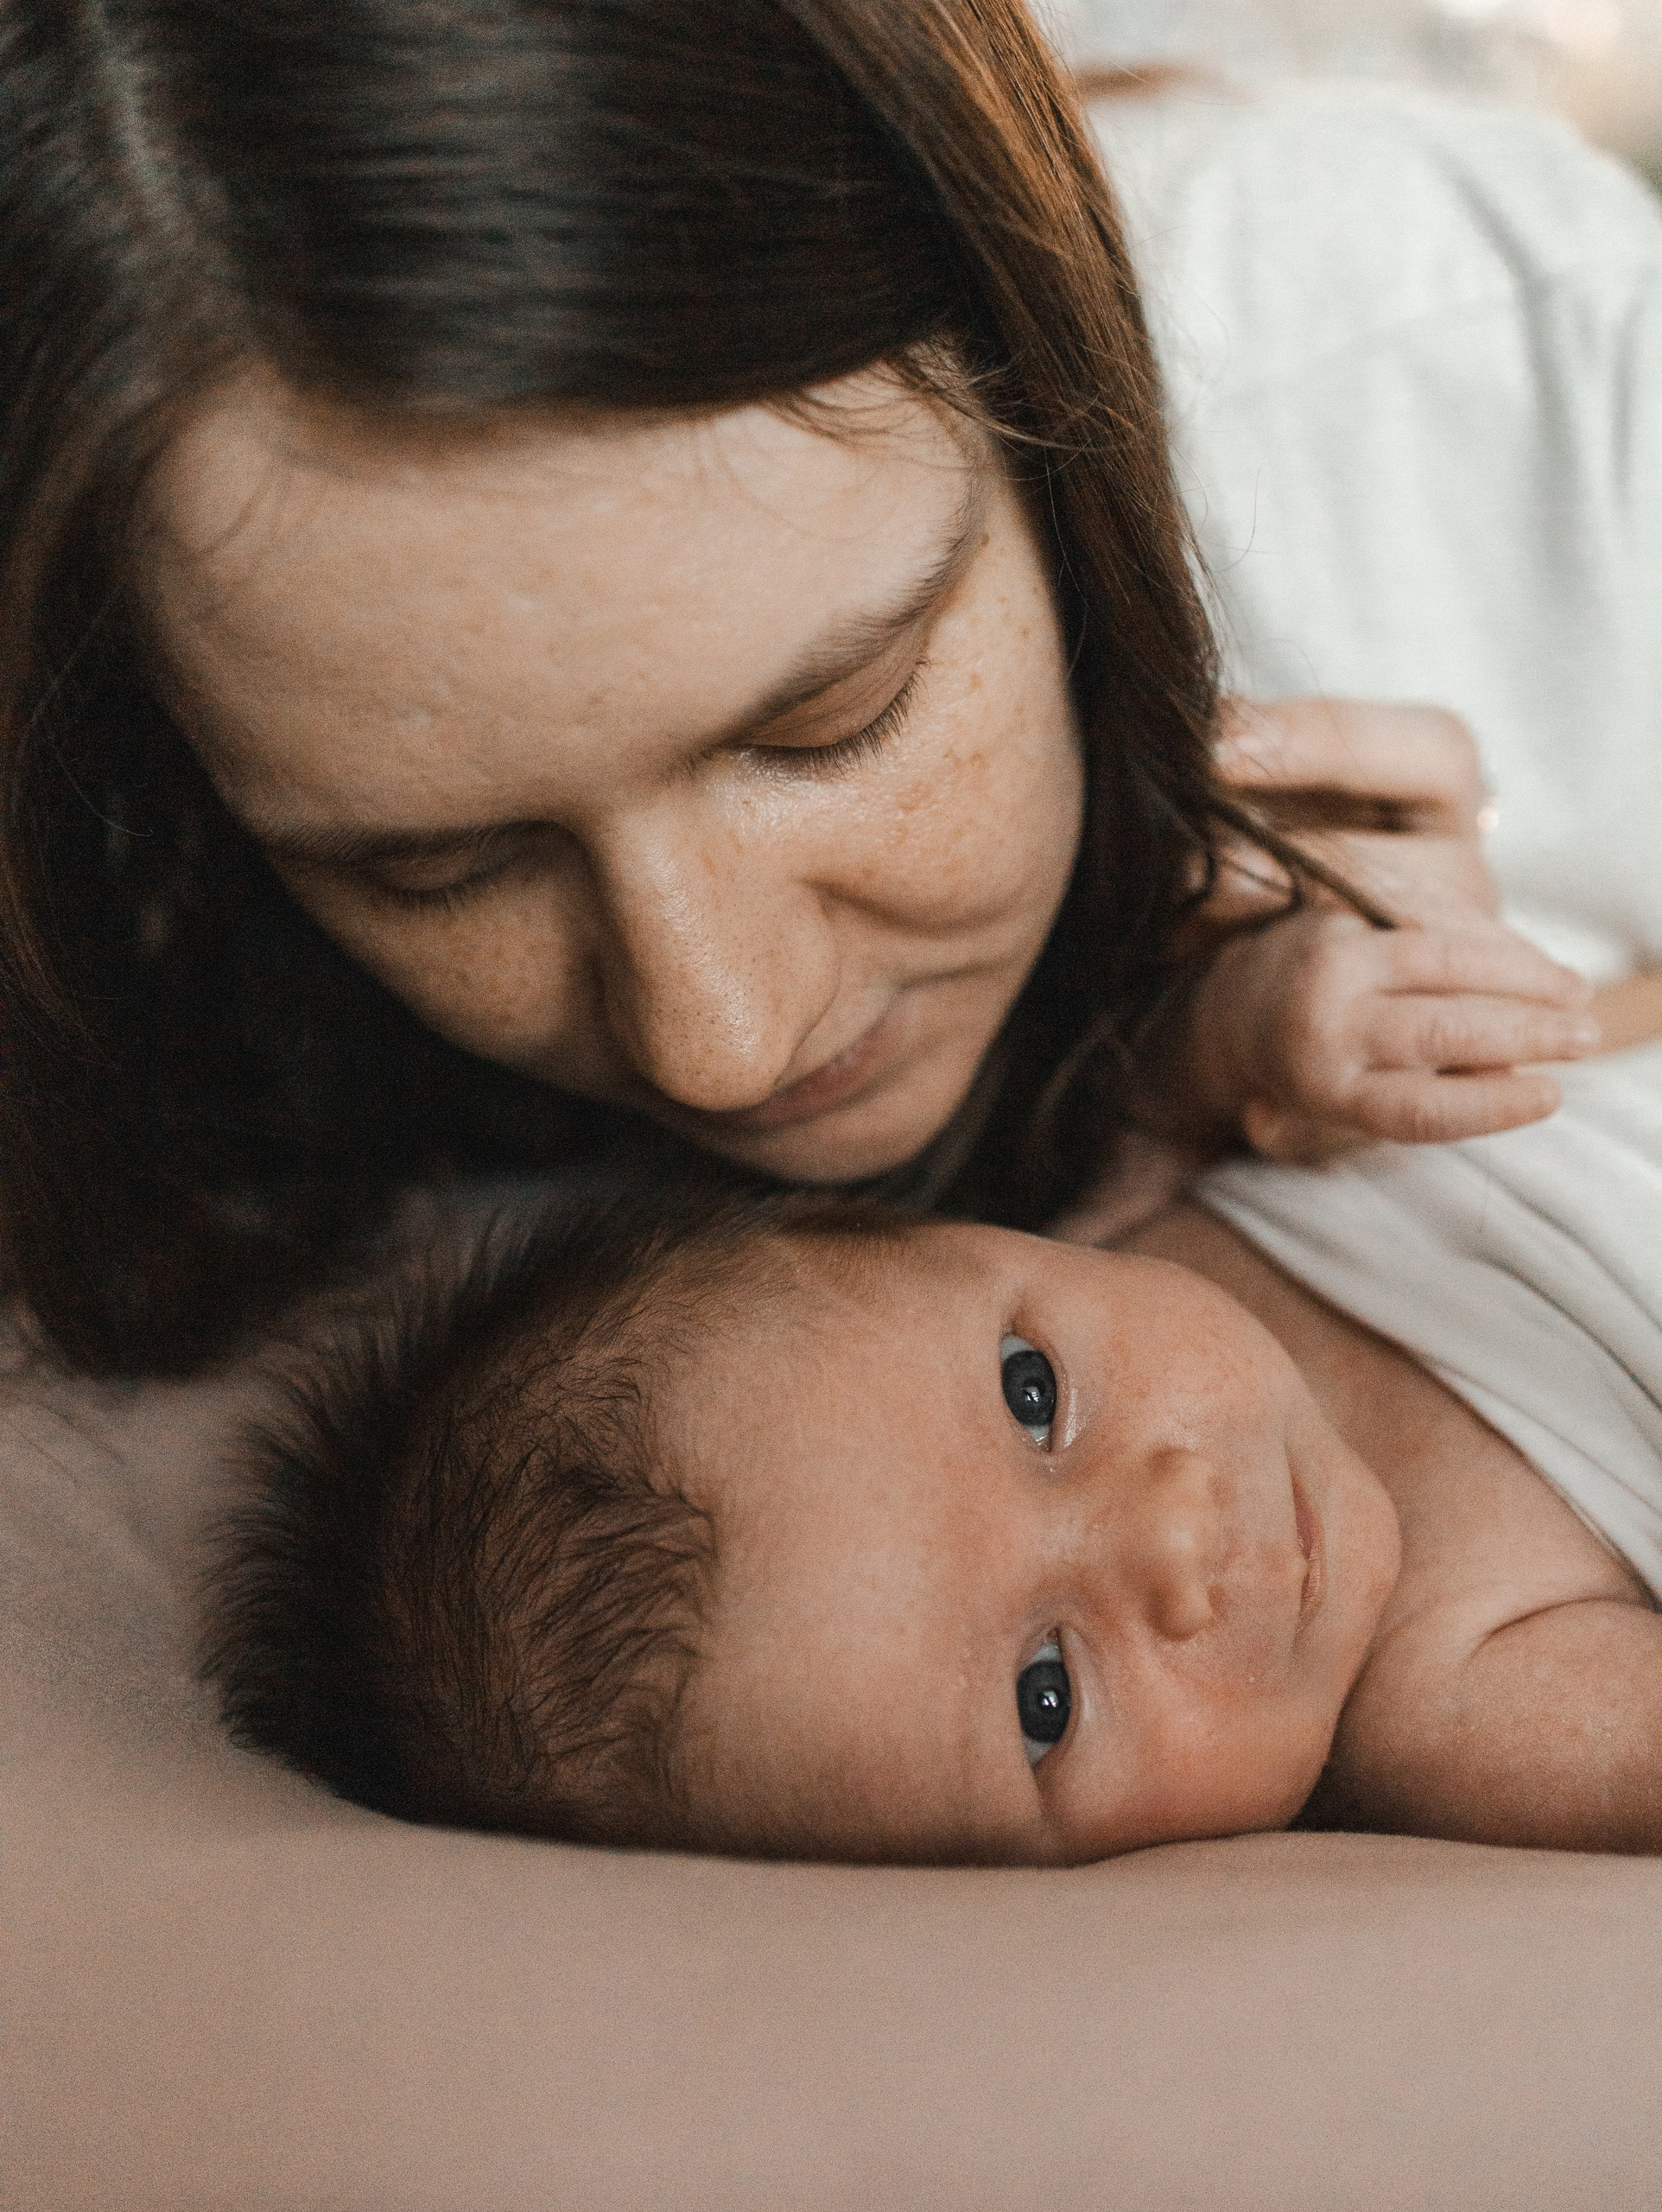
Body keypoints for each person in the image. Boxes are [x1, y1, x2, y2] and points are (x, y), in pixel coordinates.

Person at [0, 0, 1526, 1382]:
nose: (720, 1040)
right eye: (437, 868)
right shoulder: (120, 943)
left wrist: (1555, 1054)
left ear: (1051, 381)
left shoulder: (1467, 348)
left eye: (834, 720)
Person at [206, 1035, 1662, 1863]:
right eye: (1047, 1698)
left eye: (1036, 1400)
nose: (1170, 1538)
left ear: (979, 1232)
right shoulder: (1458, 1708)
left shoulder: (1147, 1160)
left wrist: (1266, 1009)